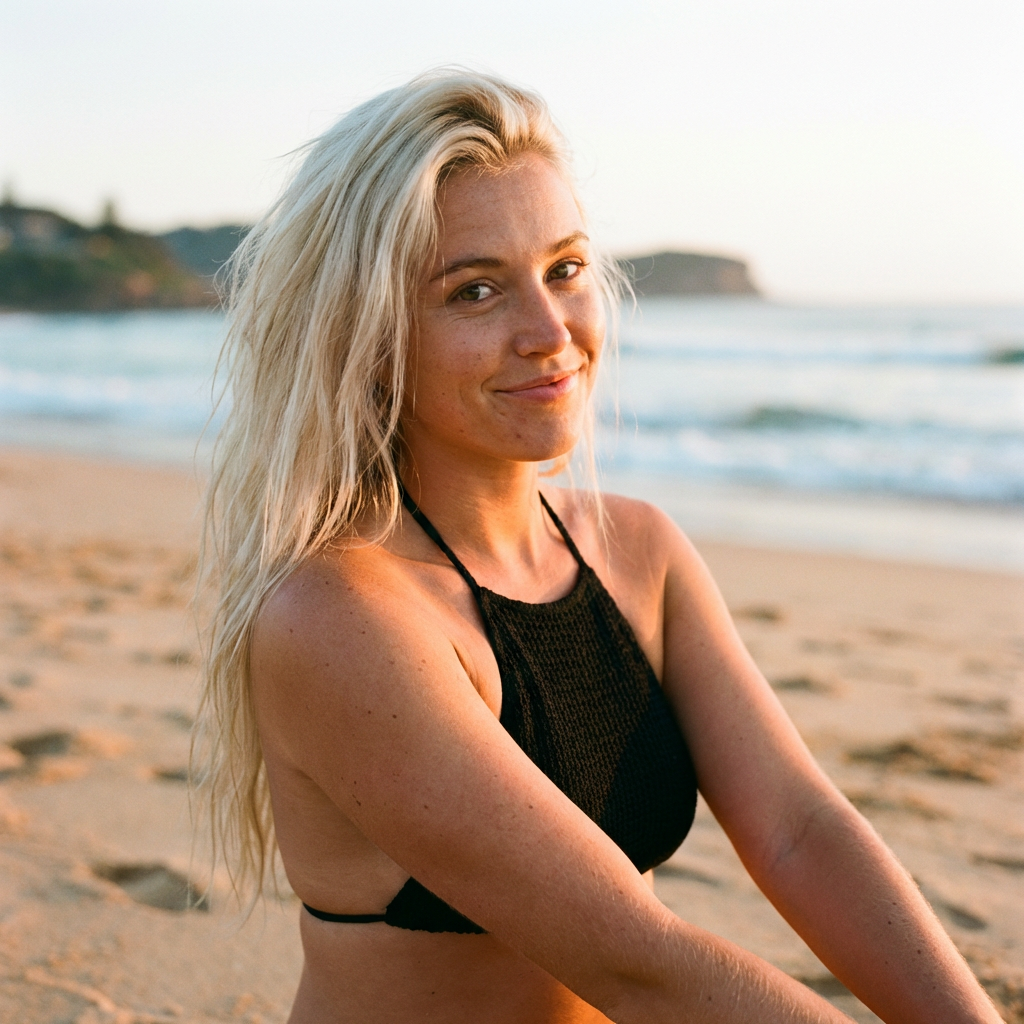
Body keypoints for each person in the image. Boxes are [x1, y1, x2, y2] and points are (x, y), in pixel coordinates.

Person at [195, 69, 1001, 1024]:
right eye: (476, 290)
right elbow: (638, 960)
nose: (551, 332)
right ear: (369, 336)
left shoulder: (638, 550)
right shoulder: (339, 616)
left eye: (566, 270)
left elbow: (798, 828)